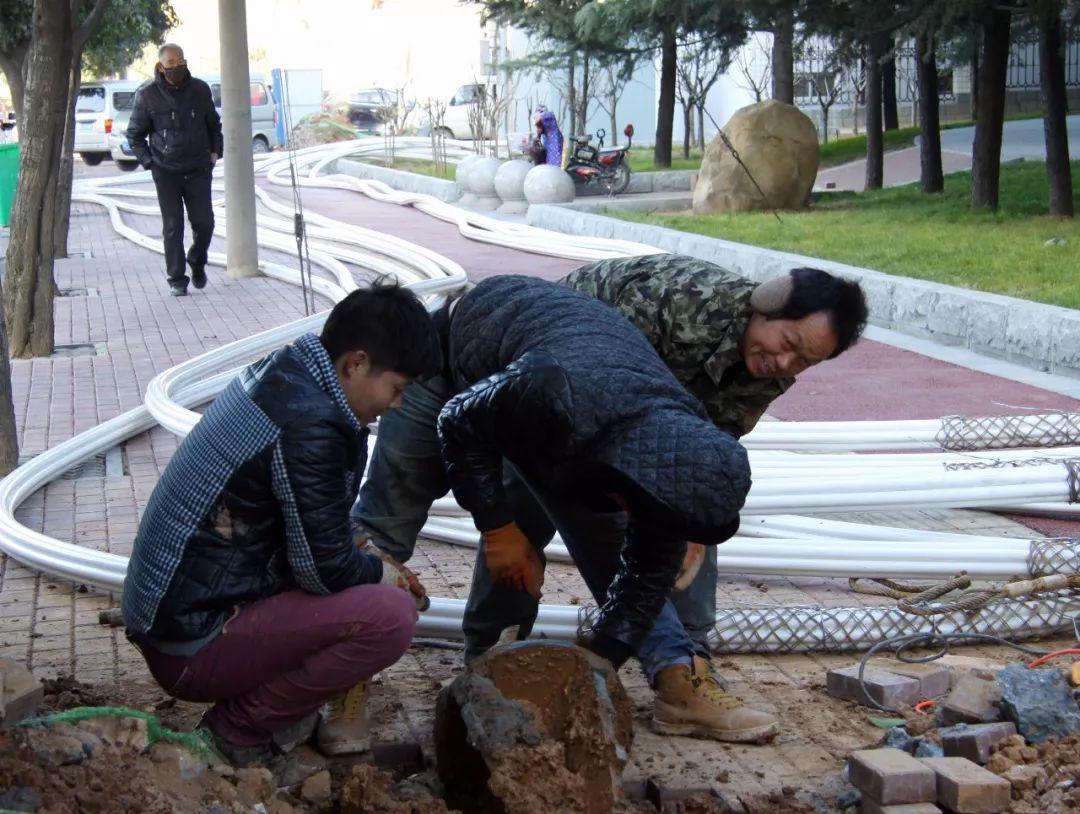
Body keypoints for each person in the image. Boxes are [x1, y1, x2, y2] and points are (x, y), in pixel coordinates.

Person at [355, 258, 867, 743]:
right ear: (767, 305)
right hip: (526, 379)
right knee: (422, 509)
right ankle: (454, 662)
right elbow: (466, 423)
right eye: (788, 342)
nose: (784, 363)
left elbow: (707, 450)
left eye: (804, 361)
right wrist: (496, 529)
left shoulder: (769, 369)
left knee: (671, 532)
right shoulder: (674, 302)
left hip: (617, 416)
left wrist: (597, 665)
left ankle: (680, 671)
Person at [121, 283, 441, 766]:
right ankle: (235, 732)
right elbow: (324, 570)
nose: (397, 405)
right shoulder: (309, 421)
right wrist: (382, 574)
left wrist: (365, 554)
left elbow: (314, 524)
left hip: (179, 613)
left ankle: (288, 709)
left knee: (365, 577)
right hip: (190, 644)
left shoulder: (295, 376)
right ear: (355, 364)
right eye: (397, 389)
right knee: (388, 617)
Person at [126, 43, 223, 297]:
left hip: (199, 168)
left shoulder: (200, 90)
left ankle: (197, 260)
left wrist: (215, 152)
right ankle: (177, 279)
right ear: (161, 66)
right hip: (165, 171)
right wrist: (149, 161)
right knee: (173, 225)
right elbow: (135, 135)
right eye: (171, 64)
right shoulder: (147, 95)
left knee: (205, 223)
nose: (177, 67)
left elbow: (214, 124)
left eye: (180, 62)